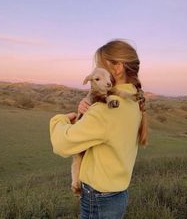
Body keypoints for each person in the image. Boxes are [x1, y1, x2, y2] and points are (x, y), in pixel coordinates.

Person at [49, 39, 149, 219]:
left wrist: (61, 119)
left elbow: (62, 144)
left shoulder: (106, 110)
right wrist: (88, 111)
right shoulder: (134, 100)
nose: (96, 69)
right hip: (118, 193)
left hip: (98, 197)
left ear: (117, 68)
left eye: (99, 65)